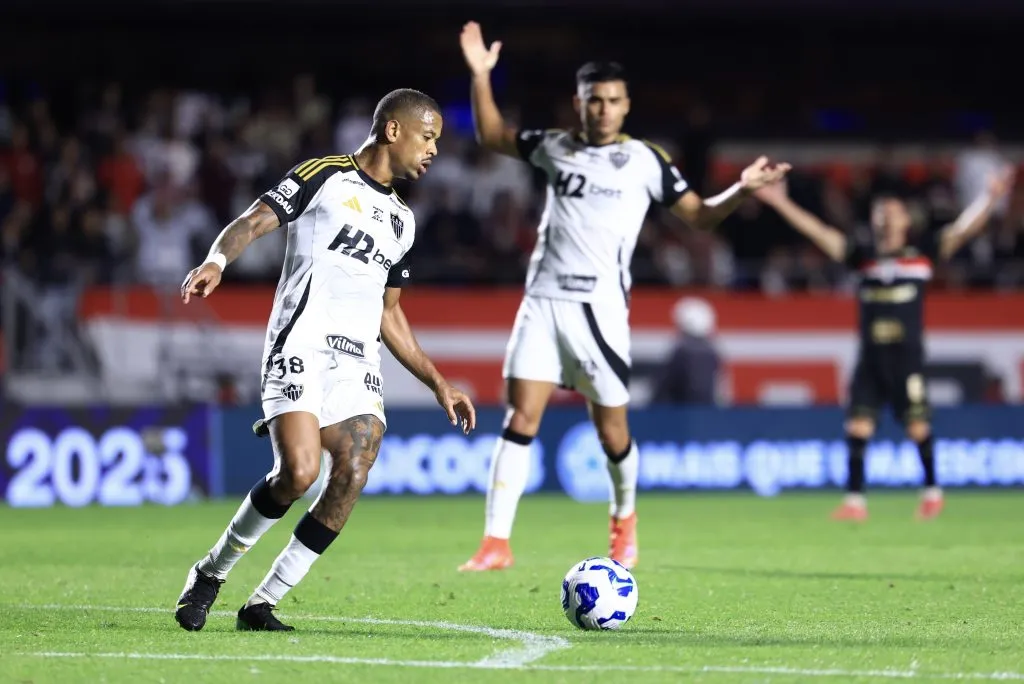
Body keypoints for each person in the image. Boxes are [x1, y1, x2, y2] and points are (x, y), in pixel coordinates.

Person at [457, 21, 791, 571]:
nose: (603, 110)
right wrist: (480, 76)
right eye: (594, 101)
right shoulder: (554, 147)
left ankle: (624, 520)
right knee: (521, 417)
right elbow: (492, 134)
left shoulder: (646, 161)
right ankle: (496, 543)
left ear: (626, 105)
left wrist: (742, 189)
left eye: (613, 101)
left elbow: (702, 217)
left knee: (612, 429)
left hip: (600, 311)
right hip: (541, 301)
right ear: (579, 103)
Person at [173, 88, 477, 632]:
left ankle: (262, 603)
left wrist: (438, 383)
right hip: (300, 343)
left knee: (354, 468)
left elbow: (390, 315)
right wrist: (217, 260)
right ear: (393, 131)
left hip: (357, 361)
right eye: (427, 137)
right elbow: (255, 219)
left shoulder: (403, 220)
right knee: (298, 472)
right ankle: (211, 572)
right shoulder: (326, 174)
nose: (434, 150)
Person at [754, 168, 1015, 521]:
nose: (884, 217)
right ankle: (855, 502)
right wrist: (781, 203)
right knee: (857, 427)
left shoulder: (922, 255)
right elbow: (819, 232)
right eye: (880, 211)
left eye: (891, 211)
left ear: (906, 219)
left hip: (905, 357)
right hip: (871, 357)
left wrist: (991, 197)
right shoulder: (863, 258)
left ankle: (933, 492)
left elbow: (962, 230)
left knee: (917, 426)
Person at [652, 297, 721, 405]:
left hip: (679, 417)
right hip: (706, 416)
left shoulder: (681, 354)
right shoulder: (713, 354)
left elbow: (661, 393)